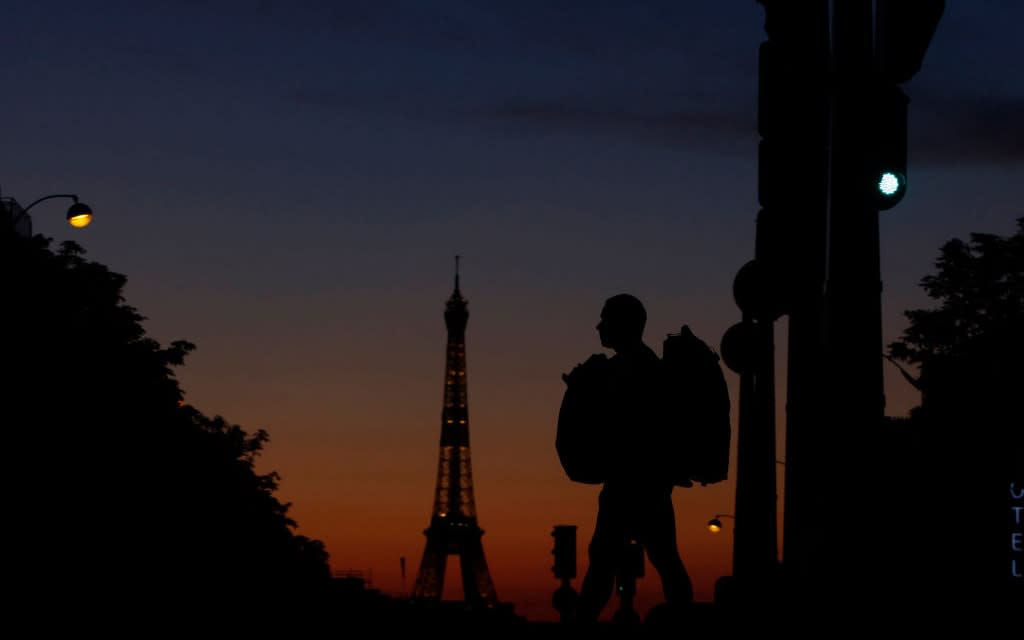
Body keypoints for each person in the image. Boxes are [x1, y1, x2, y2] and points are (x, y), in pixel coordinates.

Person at [569, 293, 694, 624]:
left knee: (604, 562)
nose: (598, 326)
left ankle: (581, 624)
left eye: (605, 320)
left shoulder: (626, 370)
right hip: (651, 484)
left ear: (621, 325)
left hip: (628, 484)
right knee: (665, 560)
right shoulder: (646, 365)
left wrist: (586, 389)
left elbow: (617, 425)